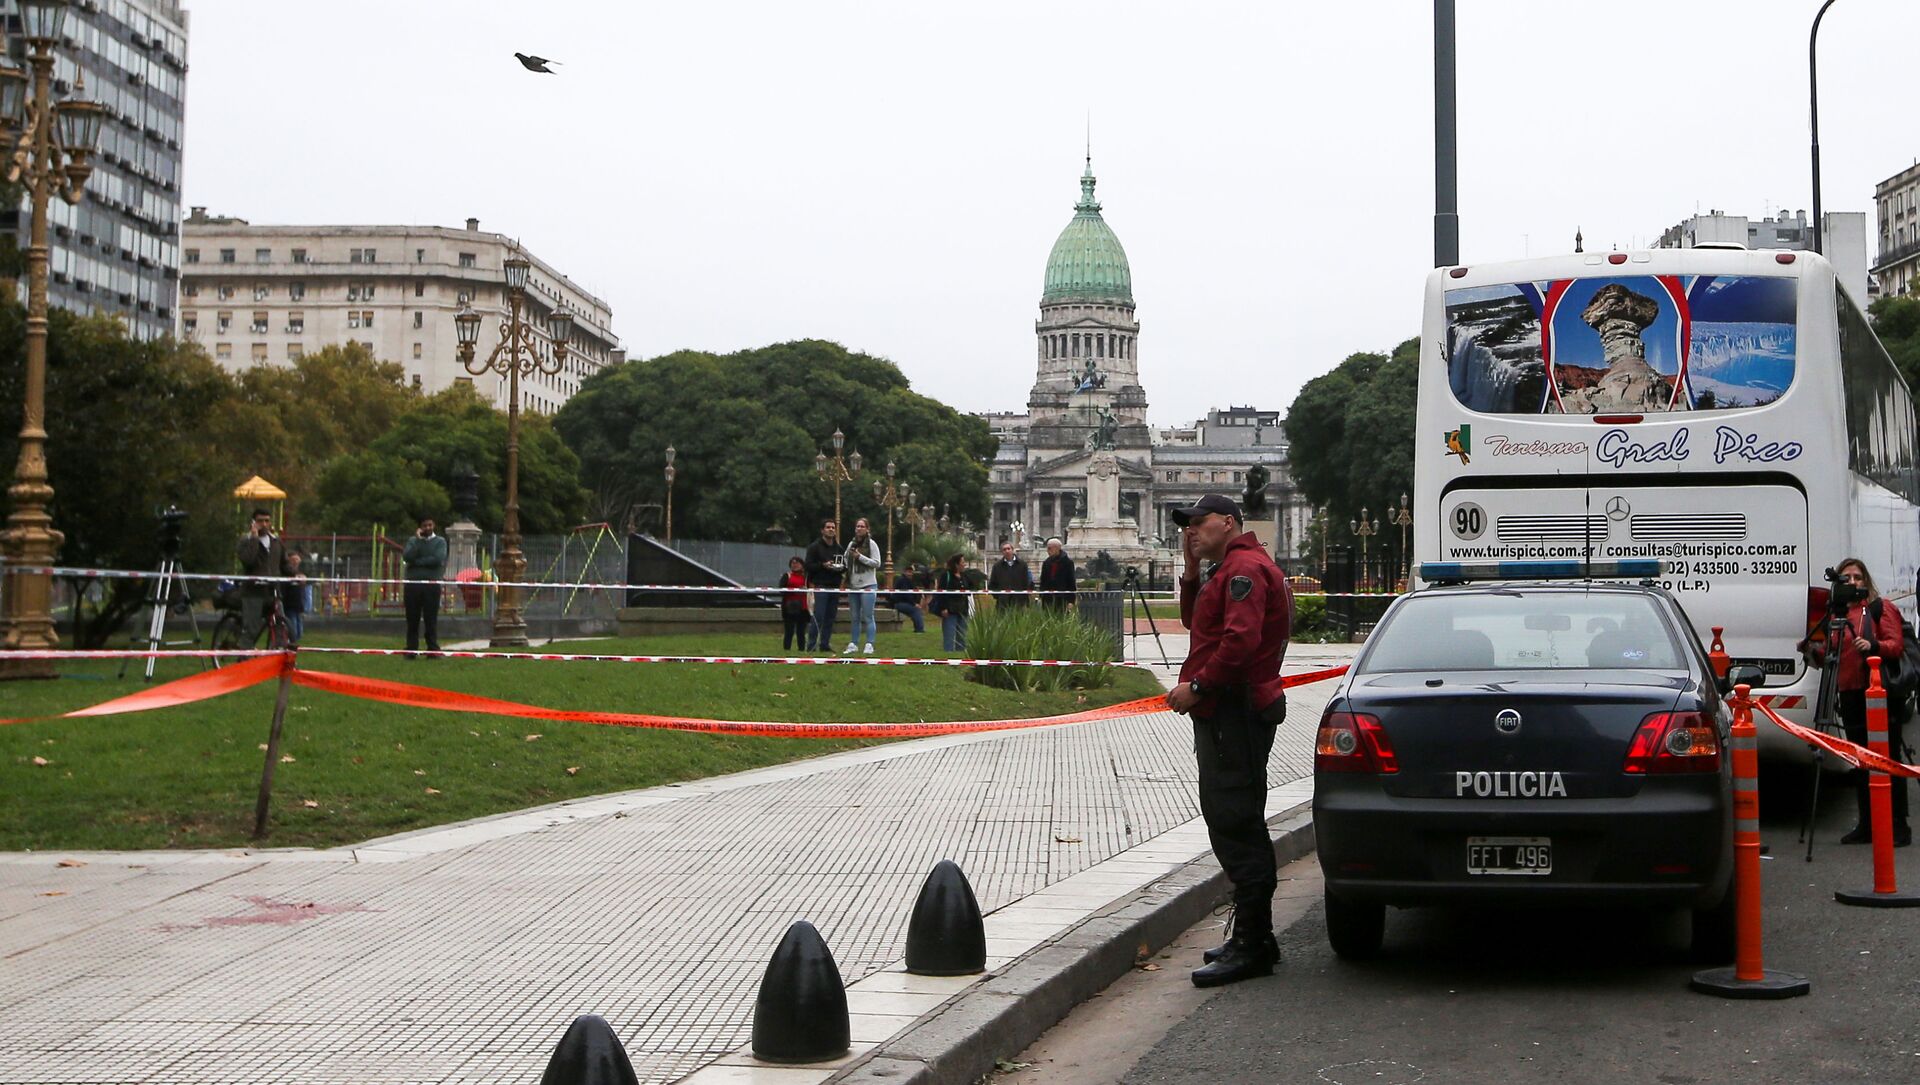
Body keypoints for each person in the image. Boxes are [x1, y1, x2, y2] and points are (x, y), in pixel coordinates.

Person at [1165, 493, 1293, 987]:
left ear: (1228, 522)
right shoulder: (1230, 568)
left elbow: (1239, 643)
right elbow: (1197, 622)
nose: (1191, 531)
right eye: (1188, 525)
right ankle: (1257, 935)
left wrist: (1197, 687)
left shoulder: (1244, 570)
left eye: (1199, 522)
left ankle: (1252, 942)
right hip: (1229, 710)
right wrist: (1190, 570)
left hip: (1234, 710)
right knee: (1233, 816)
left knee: (1234, 819)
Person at [1807, 558, 1910, 847]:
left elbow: (1895, 646)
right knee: (1860, 760)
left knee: (1887, 759)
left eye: (1857, 577)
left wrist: (1873, 646)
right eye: (1846, 578)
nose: (1852, 582)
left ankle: (1898, 825)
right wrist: (1813, 651)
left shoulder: (1879, 607)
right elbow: (1833, 652)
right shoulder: (1838, 615)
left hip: (1879, 693)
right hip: (1849, 693)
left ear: (1866, 581)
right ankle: (1867, 824)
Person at [234, 508, 293, 645]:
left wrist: (297, 574)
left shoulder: (276, 541)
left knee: (280, 626)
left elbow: (284, 564)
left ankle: (279, 653)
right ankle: (243, 654)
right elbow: (248, 560)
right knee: (251, 630)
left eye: (267, 521)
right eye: (260, 521)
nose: (264, 524)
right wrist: (254, 539)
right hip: (253, 592)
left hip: (273, 591)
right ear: (253, 522)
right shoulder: (245, 541)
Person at [402, 516, 448, 658]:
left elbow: (437, 559)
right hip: (413, 584)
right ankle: (411, 649)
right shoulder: (413, 541)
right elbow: (407, 557)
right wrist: (418, 541)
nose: (428, 528)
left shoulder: (440, 542)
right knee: (412, 618)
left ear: (433, 525)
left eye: (430, 525)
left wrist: (416, 562)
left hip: (431, 585)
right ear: (420, 527)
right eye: (424, 525)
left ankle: (432, 649)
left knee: (430, 618)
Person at [842, 518, 883, 655]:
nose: (859, 529)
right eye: (857, 526)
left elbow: (877, 563)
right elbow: (846, 559)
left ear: (867, 529)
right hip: (854, 585)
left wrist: (860, 557)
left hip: (868, 585)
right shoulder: (851, 544)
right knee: (854, 616)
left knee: (868, 615)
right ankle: (854, 643)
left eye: (862, 526)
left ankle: (870, 643)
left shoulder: (872, 544)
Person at [804, 519, 846, 653]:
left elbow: (845, 566)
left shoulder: (839, 548)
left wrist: (840, 567)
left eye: (833, 527)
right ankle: (811, 645)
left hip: (835, 585)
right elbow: (808, 565)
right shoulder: (814, 547)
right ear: (822, 530)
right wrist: (823, 565)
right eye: (828, 527)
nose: (831, 530)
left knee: (830, 617)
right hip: (820, 585)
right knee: (819, 616)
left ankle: (825, 644)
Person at [935, 553, 973, 652]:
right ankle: (949, 654)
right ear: (956, 564)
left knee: (962, 635)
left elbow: (970, 589)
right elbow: (941, 593)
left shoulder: (965, 576)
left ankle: (960, 653)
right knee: (949, 635)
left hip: (963, 609)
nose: (964, 564)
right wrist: (943, 608)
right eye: (963, 562)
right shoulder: (946, 575)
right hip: (950, 610)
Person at [779, 556, 812, 651]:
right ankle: (787, 649)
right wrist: (794, 590)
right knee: (789, 630)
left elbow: (811, 589)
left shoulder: (806, 577)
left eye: (797, 563)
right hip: (789, 607)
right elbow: (781, 590)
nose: (795, 565)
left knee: (801, 631)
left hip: (803, 607)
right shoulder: (787, 576)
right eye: (793, 563)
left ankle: (801, 649)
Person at [987, 541, 1033, 608]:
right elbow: (993, 583)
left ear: (1012, 550)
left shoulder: (1022, 565)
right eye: (1004, 549)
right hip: (1003, 603)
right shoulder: (997, 566)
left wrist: (1024, 595)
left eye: (1008, 549)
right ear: (1002, 552)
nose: (1007, 551)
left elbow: (1027, 581)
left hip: (1019, 602)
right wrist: (999, 596)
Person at [280, 550, 310, 646]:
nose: (296, 562)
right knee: (293, 630)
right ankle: (287, 644)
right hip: (290, 606)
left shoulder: (300, 574)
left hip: (298, 606)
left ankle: (289, 643)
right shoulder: (286, 574)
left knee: (299, 632)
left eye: (297, 559)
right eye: (293, 559)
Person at [1039, 537, 1076, 611]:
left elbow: (1071, 582)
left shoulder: (1068, 563)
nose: (1047, 551)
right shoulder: (1046, 563)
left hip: (1062, 599)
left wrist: (1071, 601)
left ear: (1057, 548)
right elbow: (1043, 581)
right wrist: (1041, 595)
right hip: (1048, 599)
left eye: (1049, 548)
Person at [889, 563, 927, 634]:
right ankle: (919, 629)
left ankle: (918, 628)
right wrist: (914, 604)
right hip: (899, 603)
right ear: (904, 572)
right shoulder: (903, 580)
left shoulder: (908, 581)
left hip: (903, 603)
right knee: (915, 610)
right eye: (909, 572)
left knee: (915, 611)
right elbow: (906, 594)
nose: (910, 574)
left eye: (911, 572)